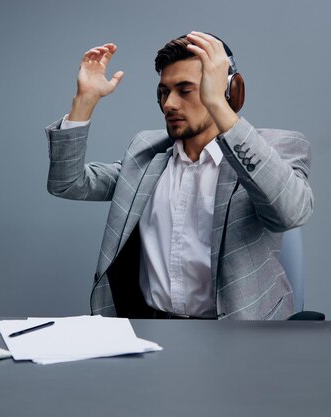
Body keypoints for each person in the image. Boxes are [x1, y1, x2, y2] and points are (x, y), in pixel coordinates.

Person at [44, 32, 314, 320]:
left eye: (185, 90)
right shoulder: (147, 155)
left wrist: (221, 107)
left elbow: (291, 213)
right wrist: (84, 101)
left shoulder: (273, 149)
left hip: (240, 336)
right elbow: (68, 183)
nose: (169, 103)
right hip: (154, 330)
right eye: (163, 91)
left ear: (229, 92)